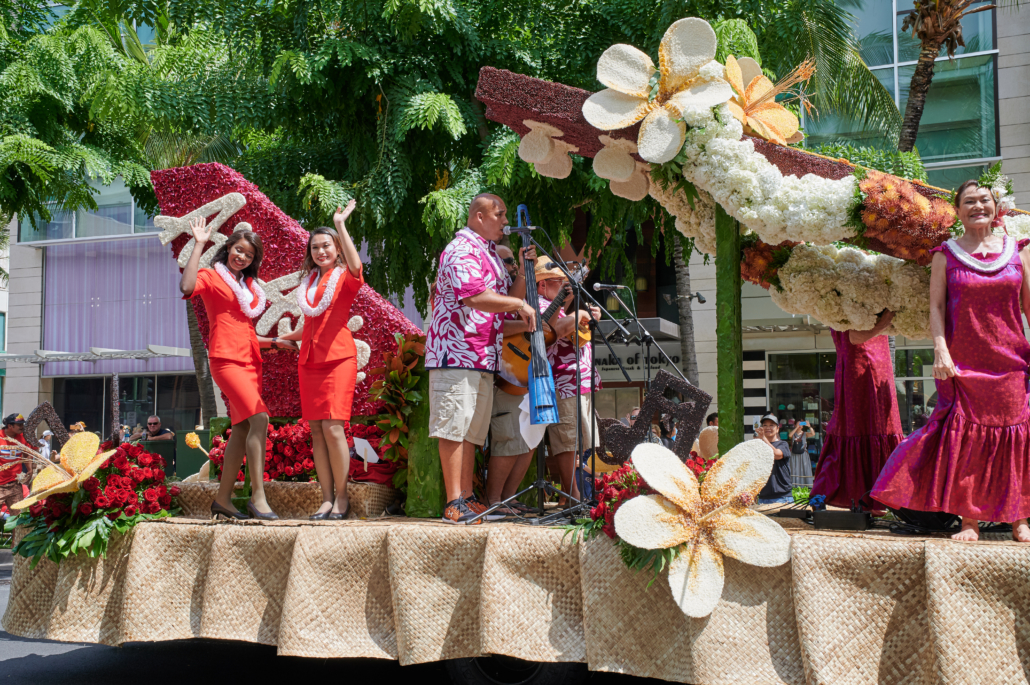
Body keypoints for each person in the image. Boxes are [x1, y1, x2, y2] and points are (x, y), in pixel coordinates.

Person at [872, 181, 1030, 542]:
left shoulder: (1019, 252)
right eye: (969, 202)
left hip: (1010, 360)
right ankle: (969, 520)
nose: (978, 207)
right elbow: (937, 308)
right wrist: (940, 351)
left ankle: (1020, 518)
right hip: (962, 361)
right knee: (967, 439)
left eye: (984, 200)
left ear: (996, 207)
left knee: (1016, 436)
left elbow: (1029, 307)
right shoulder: (946, 255)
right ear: (957, 211)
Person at [425, 194, 537, 525]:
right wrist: (518, 306)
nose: (505, 221)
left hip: (481, 355)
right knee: (454, 426)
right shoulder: (462, 250)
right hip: (456, 353)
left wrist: (523, 270)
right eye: (499, 214)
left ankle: (468, 498)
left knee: (471, 431)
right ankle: (453, 500)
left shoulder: (486, 253)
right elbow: (476, 297)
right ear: (478, 216)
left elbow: (506, 300)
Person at [180, 219, 291, 520]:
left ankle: (223, 500)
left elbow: (246, 333)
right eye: (238, 250)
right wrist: (199, 243)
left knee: (242, 427)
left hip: (249, 361)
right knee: (260, 418)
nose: (242, 257)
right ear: (228, 247)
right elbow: (187, 286)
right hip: (225, 360)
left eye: (249, 255)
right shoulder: (211, 277)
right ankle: (258, 497)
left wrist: (278, 342)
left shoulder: (248, 290)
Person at [279, 201, 364, 521]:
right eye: (314, 247)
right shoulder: (309, 283)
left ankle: (342, 498)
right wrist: (280, 340)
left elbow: (357, 267)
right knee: (316, 429)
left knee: (333, 427)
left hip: (338, 359)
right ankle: (326, 499)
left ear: (337, 248)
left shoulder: (344, 277)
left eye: (326, 246)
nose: (320, 251)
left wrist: (340, 224)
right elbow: (310, 325)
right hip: (309, 361)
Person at [811, 311, 901, 512]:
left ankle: (870, 499)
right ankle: (876, 498)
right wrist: (885, 321)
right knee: (869, 426)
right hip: (865, 364)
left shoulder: (838, 297)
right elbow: (855, 336)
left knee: (859, 428)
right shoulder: (851, 296)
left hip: (864, 364)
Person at [533, 257, 602, 505]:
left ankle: (576, 494)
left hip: (577, 381)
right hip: (563, 380)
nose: (565, 286)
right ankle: (573, 496)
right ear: (542, 285)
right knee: (567, 440)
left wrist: (589, 318)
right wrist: (580, 314)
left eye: (566, 282)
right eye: (559, 282)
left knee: (580, 440)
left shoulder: (559, 307)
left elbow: (573, 333)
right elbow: (555, 330)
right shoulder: (539, 304)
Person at [485, 245, 536, 517]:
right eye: (507, 261)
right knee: (507, 437)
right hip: (501, 374)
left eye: (513, 261)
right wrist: (530, 325)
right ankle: (493, 501)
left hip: (520, 374)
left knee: (525, 440)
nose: (512, 265)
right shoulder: (487, 287)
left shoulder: (509, 287)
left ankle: (506, 498)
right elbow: (495, 326)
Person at [756, 414, 792, 505]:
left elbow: (776, 455)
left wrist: (763, 438)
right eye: (765, 425)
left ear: (777, 429)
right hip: (763, 497)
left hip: (782, 497)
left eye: (771, 425)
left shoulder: (783, 444)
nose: (768, 428)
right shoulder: (758, 446)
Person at [0, 414, 31, 515]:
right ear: (10, 426)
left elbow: (28, 454)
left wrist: (29, 469)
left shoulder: (23, 438)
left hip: (15, 485)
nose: (22, 427)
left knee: (18, 518)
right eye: (19, 425)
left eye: (22, 424)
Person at [788, 419, 815, 488]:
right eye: (798, 423)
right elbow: (790, 435)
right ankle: (794, 486)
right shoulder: (793, 433)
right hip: (794, 455)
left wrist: (809, 426)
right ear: (795, 424)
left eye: (801, 424)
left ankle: (806, 486)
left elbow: (813, 434)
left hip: (803, 455)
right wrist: (796, 428)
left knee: (804, 468)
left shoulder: (805, 433)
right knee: (794, 469)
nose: (800, 425)